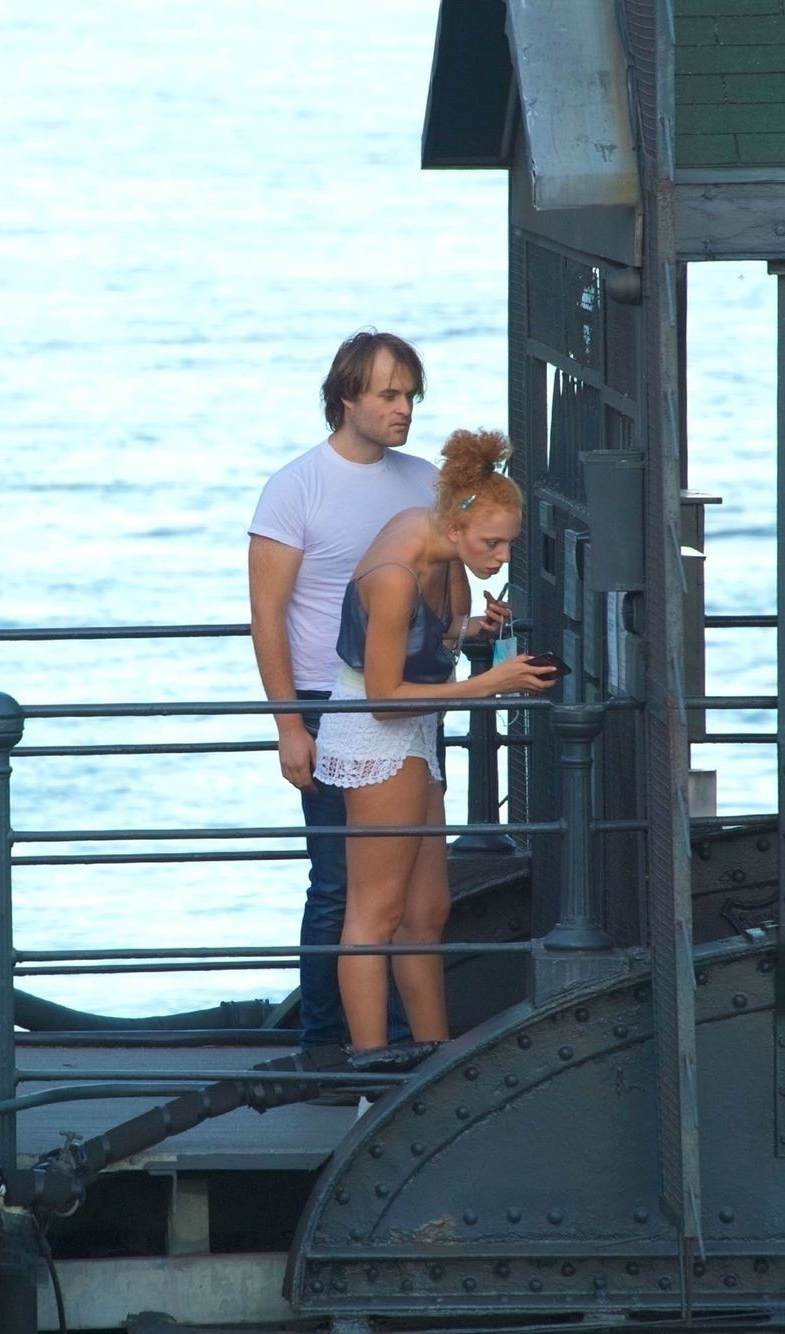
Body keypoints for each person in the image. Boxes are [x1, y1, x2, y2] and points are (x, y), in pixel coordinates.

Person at [313, 429, 557, 1057]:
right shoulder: (395, 575)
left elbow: (432, 637)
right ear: (455, 527)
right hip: (374, 729)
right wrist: (490, 683)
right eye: (491, 544)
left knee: (427, 910)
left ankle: (434, 1057)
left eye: (509, 543)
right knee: (374, 914)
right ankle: (372, 1073)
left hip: (417, 722)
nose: (501, 557)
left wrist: (476, 629)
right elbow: (381, 695)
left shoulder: (436, 540)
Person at [248, 331, 450, 1050]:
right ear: (346, 397)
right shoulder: (296, 486)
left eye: (411, 396)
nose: (405, 410)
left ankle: (397, 1044)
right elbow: (266, 615)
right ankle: (329, 1046)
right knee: (338, 882)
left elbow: (443, 596)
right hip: (321, 698)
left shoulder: (427, 481)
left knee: (408, 887)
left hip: (411, 700)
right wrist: (288, 726)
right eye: (389, 395)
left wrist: (472, 626)